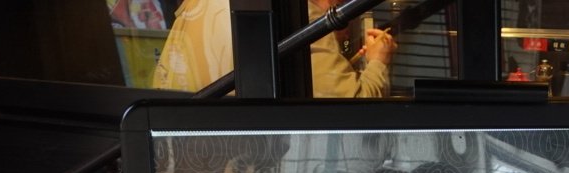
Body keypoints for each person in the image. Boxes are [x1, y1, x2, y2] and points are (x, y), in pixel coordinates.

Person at [151, 0, 395, 96]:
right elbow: (350, 108)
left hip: (181, 144)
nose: (338, 7)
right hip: (235, 162)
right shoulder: (295, 13)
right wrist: (378, 61)